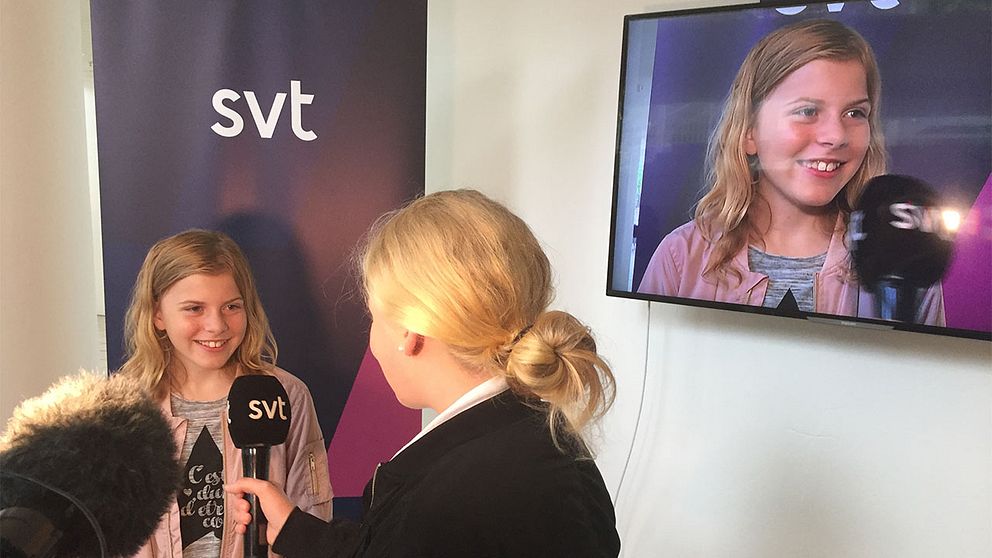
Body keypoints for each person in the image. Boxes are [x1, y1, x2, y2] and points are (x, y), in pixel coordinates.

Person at [226, 190, 621, 557]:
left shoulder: (444, 499)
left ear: (409, 334)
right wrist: (298, 532)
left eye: (374, 317)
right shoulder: (549, 441)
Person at [637, 19, 944, 325]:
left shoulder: (905, 261)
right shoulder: (681, 256)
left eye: (855, 113)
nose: (836, 136)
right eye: (807, 111)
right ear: (749, 131)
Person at [119, 229, 333, 558]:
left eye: (231, 306)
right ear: (158, 314)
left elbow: (312, 520)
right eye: (194, 308)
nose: (216, 326)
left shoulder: (286, 395)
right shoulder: (125, 407)